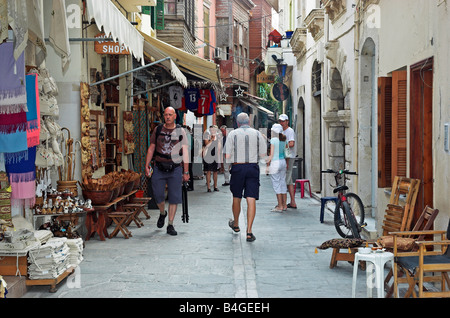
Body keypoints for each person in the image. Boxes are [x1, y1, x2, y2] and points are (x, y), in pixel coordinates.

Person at [145, 107, 190, 236]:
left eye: (170, 115)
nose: (168, 117)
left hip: (175, 168)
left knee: (174, 197)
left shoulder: (181, 131)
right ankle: (162, 213)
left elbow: (185, 151)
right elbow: (152, 147)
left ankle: (170, 224)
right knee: (158, 195)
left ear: (175, 116)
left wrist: (186, 172)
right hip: (159, 167)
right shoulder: (158, 129)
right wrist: (147, 164)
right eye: (166, 115)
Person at [224, 113, 267, 242]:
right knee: (251, 198)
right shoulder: (258, 134)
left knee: (236, 196)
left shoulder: (232, 134)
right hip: (253, 168)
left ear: (237, 123)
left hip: (237, 168)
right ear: (249, 122)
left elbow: (227, 155)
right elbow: (263, 154)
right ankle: (249, 231)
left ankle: (236, 224)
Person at [266, 124, 287, 212]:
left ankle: (280, 206)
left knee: (276, 184)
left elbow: (271, 154)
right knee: (283, 182)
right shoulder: (284, 140)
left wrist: (267, 165)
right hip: (283, 162)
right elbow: (287, 153)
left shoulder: (273, 140)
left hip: (275, 162)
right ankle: (285, 205)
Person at [278, 114, 297, 209]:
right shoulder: (281, 131)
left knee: (285, 179)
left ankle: (283, 203)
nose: (281, 123)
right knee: (289, 180)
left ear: (287, 121)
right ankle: (292, 201)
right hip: (285, 157)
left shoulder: (289, 131)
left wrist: (282, 146)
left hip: (289, 157)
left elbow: (291, 143)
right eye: (280, 121)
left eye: (283, 121)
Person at [203, 125, 221, 192]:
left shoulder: (218, 137)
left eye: (214, 130)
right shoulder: (207, 136)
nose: (212, 131)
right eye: (211, 130)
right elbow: (207, 145)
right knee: (208, 171)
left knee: (215, 171)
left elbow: (219, 146)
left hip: (215, 155)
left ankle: (215, 186)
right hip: (208, 155)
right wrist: (211, 140)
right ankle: (208, 187)